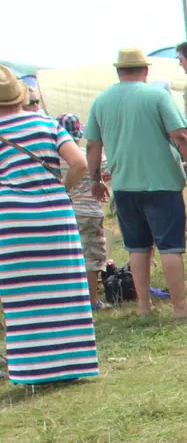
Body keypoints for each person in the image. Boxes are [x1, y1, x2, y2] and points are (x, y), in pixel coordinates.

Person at [83, 48, 187, 319]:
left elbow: (92, 144)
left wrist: (95, 179)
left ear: (118, 71)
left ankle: (143, 307)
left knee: (137, 248)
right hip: (161, 184)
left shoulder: (101, 101)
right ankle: (180, 307)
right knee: (170, 247)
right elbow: (181, 137)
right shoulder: (157, 95)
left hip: (124, 185)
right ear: (145, 70)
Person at [0, 67, 99, 385]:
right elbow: (80, 163)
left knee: (23, 296)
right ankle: (72, 363)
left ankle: (32, 370)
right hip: (54, 213)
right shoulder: (46, 123)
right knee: (64, 288)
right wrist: (62, 187)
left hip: (10, 219)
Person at [55, 114, 106, 308]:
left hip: (64, 211)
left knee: (66, 256)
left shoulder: (53, 158)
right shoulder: (86, 156)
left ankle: (68, 299)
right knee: (92, 256)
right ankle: (92, 301)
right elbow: (106, 169)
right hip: (89, 211)